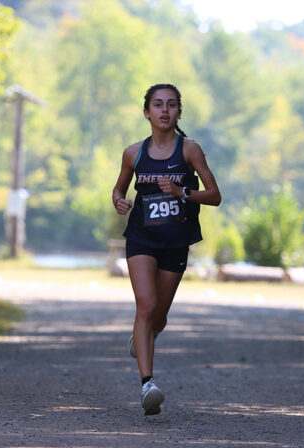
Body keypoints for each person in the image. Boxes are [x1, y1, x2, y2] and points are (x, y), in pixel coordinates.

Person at [112, 84, 221, 415]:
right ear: (146, 112)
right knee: (145, 306)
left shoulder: (189, 150)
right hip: (141, 238)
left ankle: (144, 336)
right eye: (157, 105)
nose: (164, 110)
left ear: (178, 112)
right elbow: (118, 187)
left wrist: (181, 191)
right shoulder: (133, 153)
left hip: (176, 241)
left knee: (158, 315)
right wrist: (118, 199)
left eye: (171, 105)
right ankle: (148, 385)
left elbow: (214, 195)